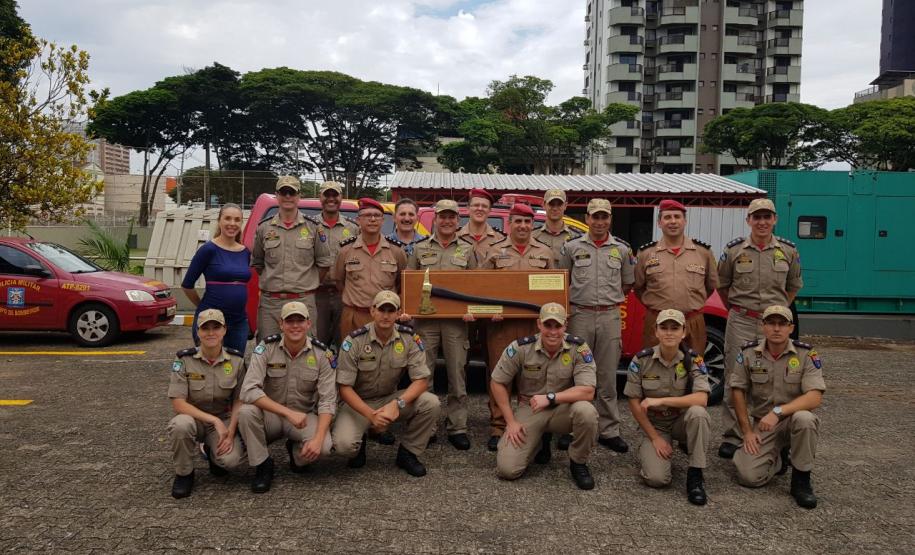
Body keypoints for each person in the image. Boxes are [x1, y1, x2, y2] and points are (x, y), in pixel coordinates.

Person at [716, 198, 803, 459]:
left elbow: (794, 285)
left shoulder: (788, 251)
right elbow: (722, 285)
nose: (762, 222)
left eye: (767, 217)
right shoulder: (734, 251)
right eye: (757, 217)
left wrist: (776, 314)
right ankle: (733, 435)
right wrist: (738, 309)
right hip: (741, 320)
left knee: (777, 377)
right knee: (735, 376)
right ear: (749, 220)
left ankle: (772, 433)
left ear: (775, 219)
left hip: (774, 323)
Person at [332, 291, 441, 477]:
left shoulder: (409, 339)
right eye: (382, 309)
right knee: (344, 446)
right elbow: (344, 388)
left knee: (431, 403)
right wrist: (371, 417)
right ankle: (360, 443)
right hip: (358, 404)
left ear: (399, 314)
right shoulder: (354, 341)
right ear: (372, 311)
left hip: (390, 399)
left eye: (391, 310)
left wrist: (397, 404)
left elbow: (421, 380)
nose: (386, 315)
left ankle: (408, 453)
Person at [490, 303, 599, 490]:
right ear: (538, 324)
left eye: (558, 326)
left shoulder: (579, 348)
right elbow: (497, 382)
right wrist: (511, 422)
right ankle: (541, 441)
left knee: (587, 412)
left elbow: (588, 390)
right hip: (530, 409)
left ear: (565, 325)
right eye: (548, 325)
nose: (553, 331)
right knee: (507, 470)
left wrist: (550, 397)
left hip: (563, 408)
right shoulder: (521, 348)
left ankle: (578, 462)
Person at [558, 198, 634, 454]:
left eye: (604, 217)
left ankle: (609, 430)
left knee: (607, 375)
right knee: (574, 372)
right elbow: (563, 283)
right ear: (587, 218)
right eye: (595, 217)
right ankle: (572, 428)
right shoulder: (571, 248)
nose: (599, 222)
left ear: (610, 219)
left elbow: (627, 284)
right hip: (579, 315)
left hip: (610, 316)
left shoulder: (622, 250)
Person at [731, 305, 825, 509]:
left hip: (792, 419)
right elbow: (737, 390)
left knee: (806, 419)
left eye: (782, 324)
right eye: (771, 323)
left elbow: (815, 396)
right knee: (748, 476)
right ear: (763, 326)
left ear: (791, 328)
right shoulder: (748, 353)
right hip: (764, 425)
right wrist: (747, 431)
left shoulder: (806, 354)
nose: (776, 328)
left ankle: (801, 481)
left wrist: (778, 411)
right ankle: (779, 458)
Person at [237, 301, 336, 493]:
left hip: (303, 419)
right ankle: (263, 465)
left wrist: (318, 438)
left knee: (323, 446)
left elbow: (328, 400)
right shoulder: (266, 348)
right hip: (270, 416)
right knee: (246, 412)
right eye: (290, 321)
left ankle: (297, 456)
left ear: (309, 323)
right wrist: (287, 413)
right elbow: (248, 390)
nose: (295, 326)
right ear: (281, 324)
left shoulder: (323, 354)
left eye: (300, 320)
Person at [479, 203, 554, 451]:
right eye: (518, 221)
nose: (523, 226)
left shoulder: (545, 252)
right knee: (500, 375)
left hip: (535, 326)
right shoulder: (493, 252)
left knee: (535, 376)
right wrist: (490, 314)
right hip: (502, 326)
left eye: (527, 221)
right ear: (509, 223)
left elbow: (556, 292)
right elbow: (480, 290)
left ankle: (536, 425)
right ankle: (498, 426)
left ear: (533, 224)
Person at [407, 199, 477, 450]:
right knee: (423, 375)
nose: (447, 221)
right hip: (426, 323)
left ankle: (457, 426)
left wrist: (471, 312)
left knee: (457, 376)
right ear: (434, 220)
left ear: (458, 221)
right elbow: (409, 285)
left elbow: (476, 288)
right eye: (442, 217)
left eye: (452, 217)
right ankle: (428, 426)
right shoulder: (418, 248)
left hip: (456, 324)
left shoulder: (468, 250)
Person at [625, 309, 711, 506]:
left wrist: (661, 401)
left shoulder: (694, 360)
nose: (669, 333)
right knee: (656, 479)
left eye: (675, 328)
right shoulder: (641, 361)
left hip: (682, 421)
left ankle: (695, 475)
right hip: (656, 426)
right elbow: (633, 402)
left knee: (699, 413)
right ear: (656, 331)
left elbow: (702, 398)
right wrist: (655, 438)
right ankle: (658, 447)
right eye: (664, 327)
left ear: (684, 332)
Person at [166, 309, 247, 498]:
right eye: (205, 328)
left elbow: (239, 401)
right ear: (198, 332)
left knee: (230, 461)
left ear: (224, 330)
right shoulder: (183, 360)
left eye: (216, 327)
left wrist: (231, 431)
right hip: (193, 418)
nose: (211, 333)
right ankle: (184, 473)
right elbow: (178, 403)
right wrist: (214, 421)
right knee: (180, 425)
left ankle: (213, 454)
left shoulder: (237, 361)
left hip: (223, 418)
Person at [251, 175, 332, 342]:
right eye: (284, 192)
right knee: (267, 349)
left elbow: (324, 264)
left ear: (299, 196)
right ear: (277, 195)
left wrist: (306, 284)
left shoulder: (314, 227)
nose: (288, 196)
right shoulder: (264, 228)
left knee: (305, 350)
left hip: (303, 300)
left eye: (292, 192)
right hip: (271, 304)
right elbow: (258, 263)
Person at [634, 199, 718, 354]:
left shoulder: (703, 253)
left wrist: (690, 303)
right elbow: (639, 287)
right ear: (659, 222)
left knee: (693, 369)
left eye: (677, 217)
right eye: (667, 217)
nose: (672, 221)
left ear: (684, 221)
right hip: (657, 321)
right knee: (654, 369)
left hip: (692, 321)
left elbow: (710, 286)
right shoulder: (646, 254)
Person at [181, 203, 251, 353]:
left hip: (238, 322)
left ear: (241, 223)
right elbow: (187, 285)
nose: (232, 223)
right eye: (227, 218)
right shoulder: (208, 250)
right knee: (208, 368)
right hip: (211, 323)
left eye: (237, 220)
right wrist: (202, 307)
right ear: (219, 221)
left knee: (235, 367)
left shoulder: (245, 252)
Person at [334, 197, 408, 340]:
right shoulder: (346, 250)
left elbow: (402, 284)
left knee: (385, 359)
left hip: (385, 316)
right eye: (367, 215)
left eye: (377, 216)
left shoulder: (396, 251)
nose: (372, 219)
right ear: (358, 220)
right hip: (354, 316)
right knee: (352, 358)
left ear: (383, 220)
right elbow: (339, 281)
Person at [314, 181, 360, 348]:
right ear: (320, 197)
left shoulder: (354, 228)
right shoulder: (310, 226)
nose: (331, 199)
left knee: (346, 344)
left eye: (335, 195)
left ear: (341, 198)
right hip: (318, 296)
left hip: (345, 296)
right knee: (317, 344)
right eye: (327, 195)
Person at [532, 188, 582, 267]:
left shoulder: (576, 237)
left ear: (565, 206)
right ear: (544, 205)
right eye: (551, 204)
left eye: (559, 204)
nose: (555, 208)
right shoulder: (533, 236)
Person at [455, 188, 504, 262]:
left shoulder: (500, 239)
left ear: (489, 211)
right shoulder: (455, 237)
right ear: (468, 208)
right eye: (476, 205)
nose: (480, 208)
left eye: (484, 206)